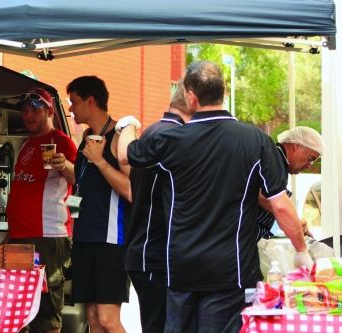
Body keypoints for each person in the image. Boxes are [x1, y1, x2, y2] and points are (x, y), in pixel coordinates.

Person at [118, 61, 313, 333]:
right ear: (223, 92)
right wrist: (302, 251)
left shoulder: (172, 140)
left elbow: (125, 154)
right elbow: (280, 204)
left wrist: (126, 126)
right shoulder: (255, 140)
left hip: (181, 271)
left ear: (191, 96)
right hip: (231, 275)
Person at [117, 80, 193, 333]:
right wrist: (127, 125)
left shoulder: (154, 131)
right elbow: (124, 155)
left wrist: (129, 125)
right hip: (154, 254)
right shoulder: (169, 135)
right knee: (159, 326)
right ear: (193, 101)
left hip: (146, 251)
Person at [5, 87, 77, 333]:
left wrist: (64, 164)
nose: (28, 115)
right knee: (19, 309)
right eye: (25, 110)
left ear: (49, 111)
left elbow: (79, 178)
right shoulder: (26, 144)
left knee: (46, 312)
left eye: (35, 110)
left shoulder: (61, 141)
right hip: (19, 235)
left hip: (46, 235)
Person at [66, 76, 131, 333]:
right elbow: (83, 186)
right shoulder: (85, 138)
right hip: (84, 237)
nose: (70, 109)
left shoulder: (119, 136)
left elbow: (132, 190)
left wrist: (101, 161)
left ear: (90, 101)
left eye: (74, 102)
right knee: (92, 317)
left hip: (110, 240)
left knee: (107, 318)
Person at [256, 126, 324, 240]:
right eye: (310, 159)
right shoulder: (274, 160)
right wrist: (293, 218)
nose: (309, 165)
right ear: (296, 147)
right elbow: (255, 193)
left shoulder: (280, 164)